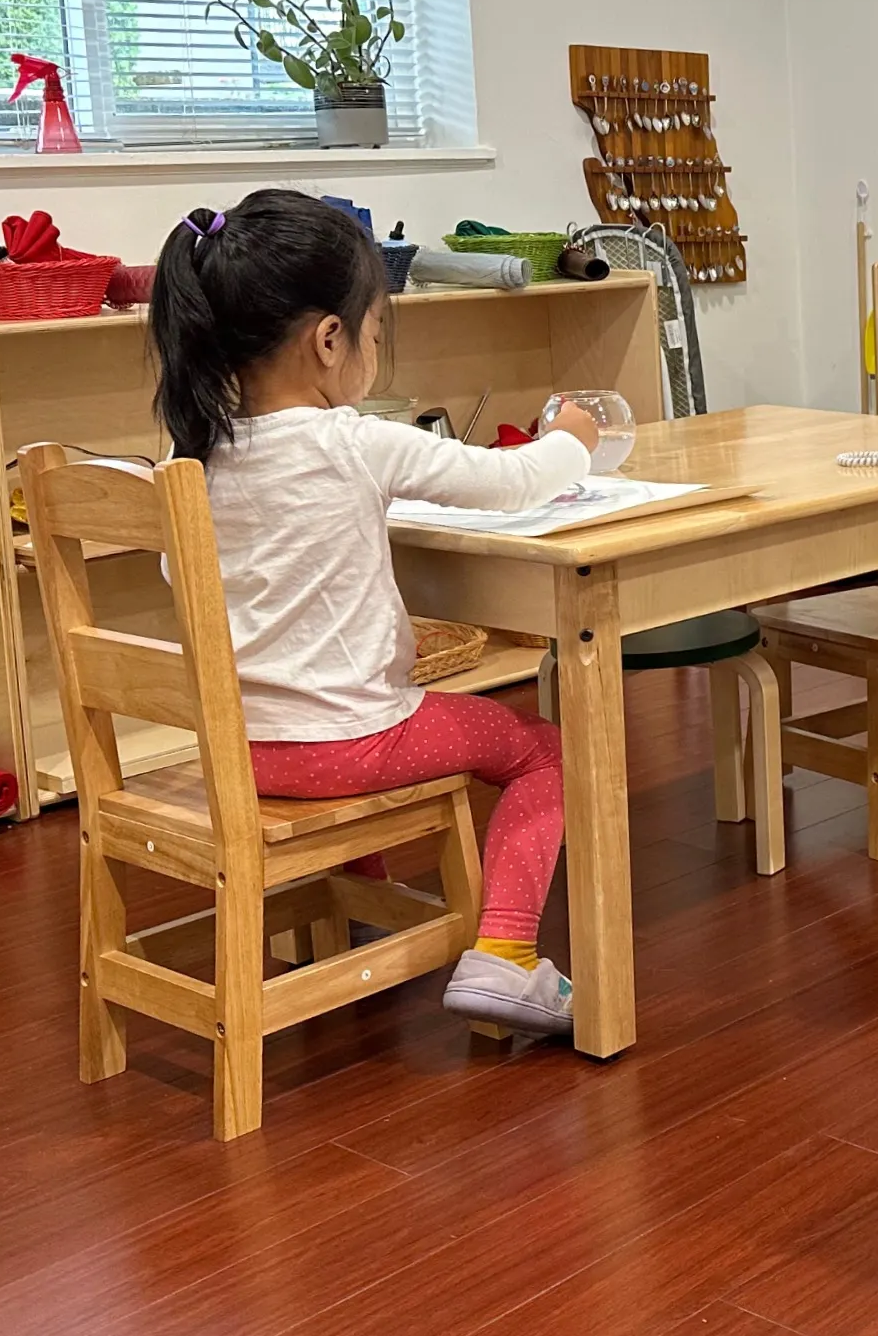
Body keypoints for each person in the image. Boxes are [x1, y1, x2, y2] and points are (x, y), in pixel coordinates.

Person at [148, 188, 603, 1036]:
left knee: (360, 714)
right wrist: (572, 434)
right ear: (329, 339)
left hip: (238, 748)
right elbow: (512, 485)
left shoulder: (191, 450)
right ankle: (505, 958)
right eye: (375, 332)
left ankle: (363, 917)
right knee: (547, 751)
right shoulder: (351, 441)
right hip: (349, 746)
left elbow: (183, 573)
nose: (374, 351)